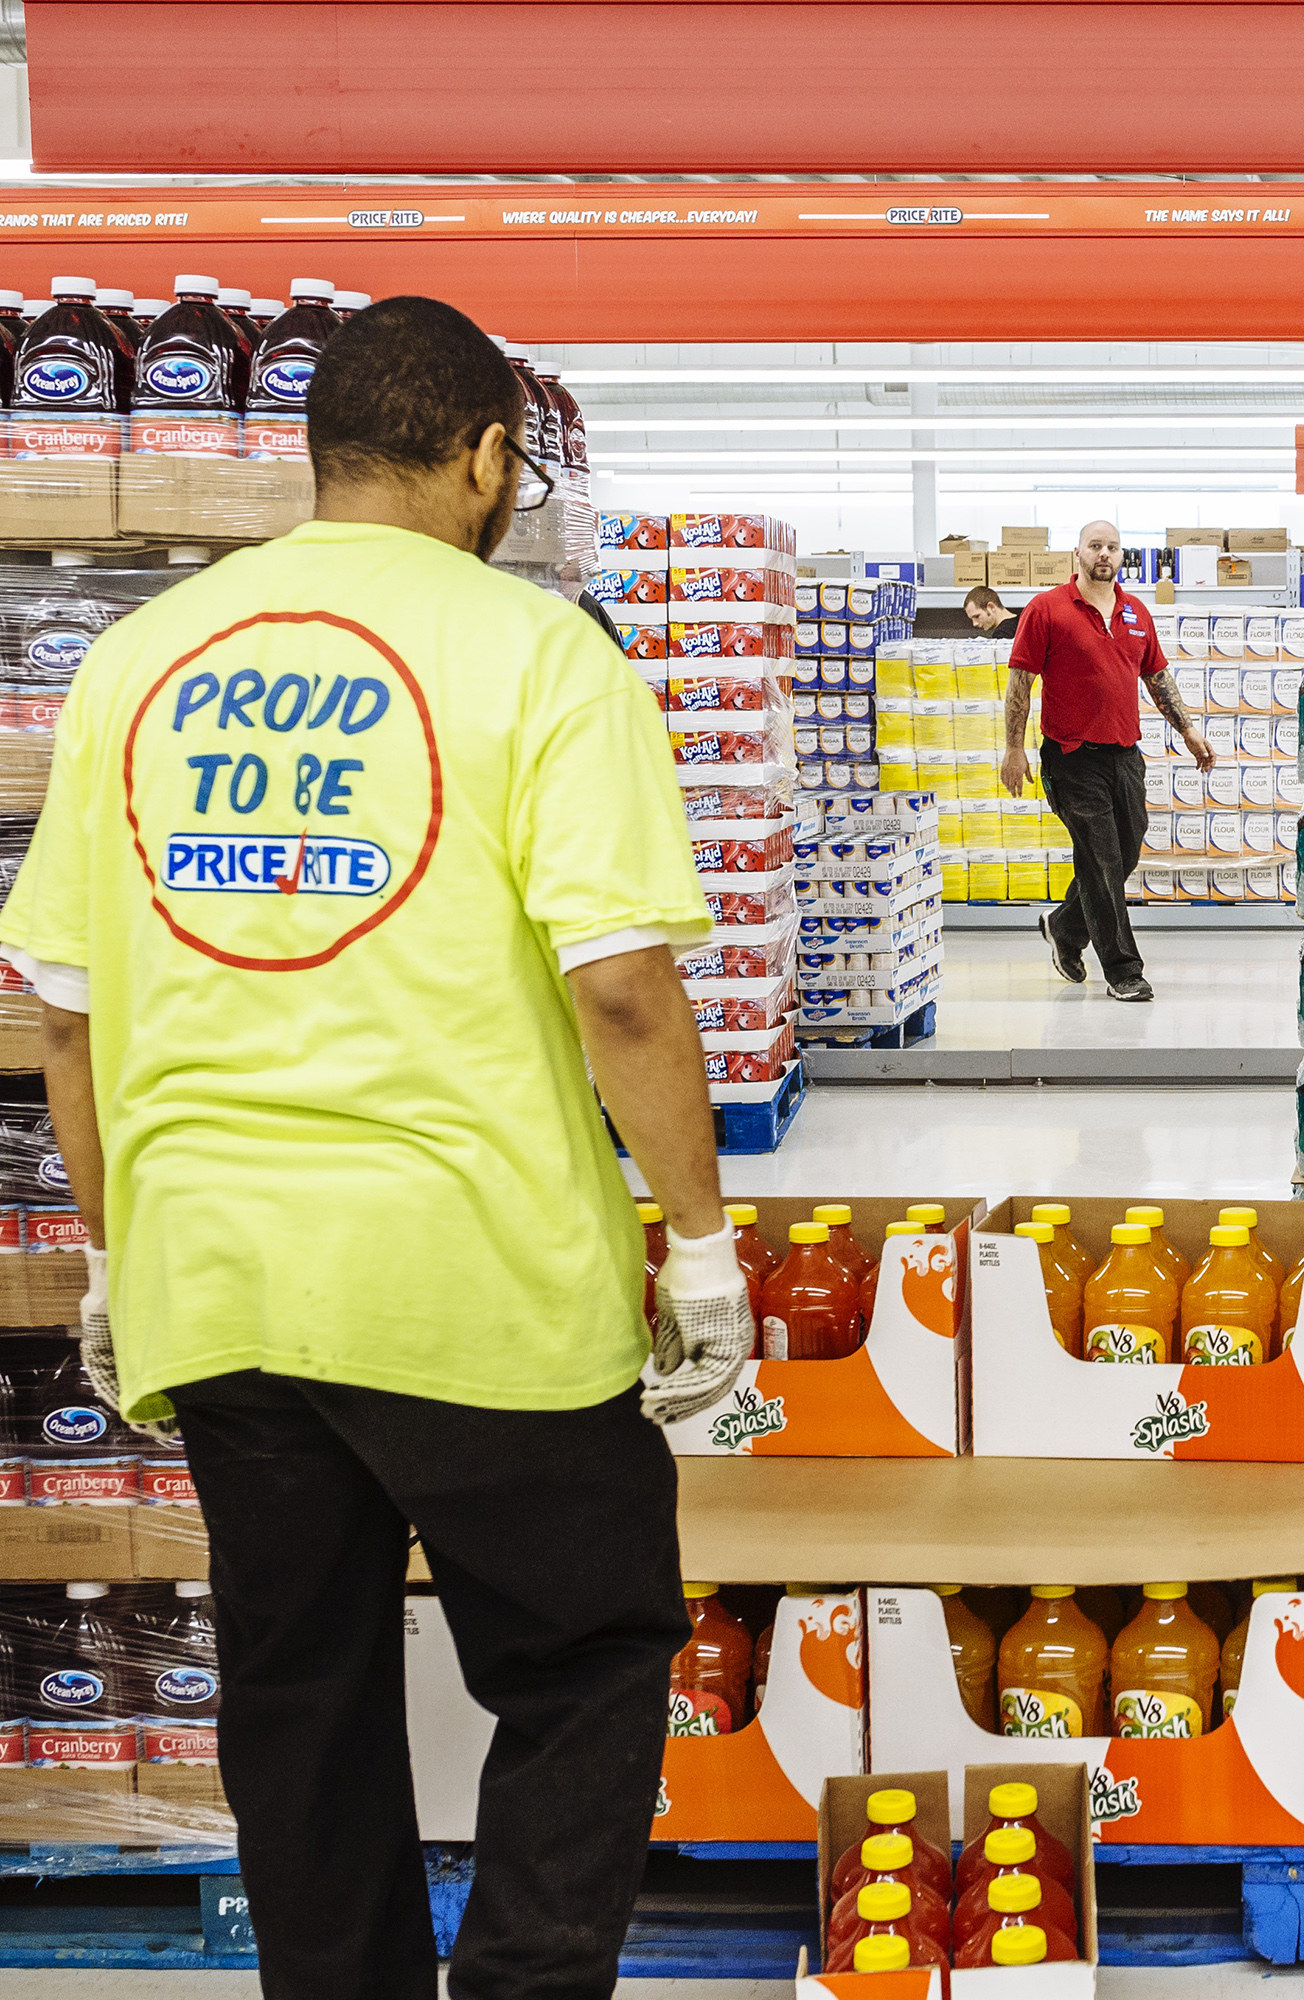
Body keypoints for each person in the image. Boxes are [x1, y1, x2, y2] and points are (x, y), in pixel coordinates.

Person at [0, 296, 755, 1998]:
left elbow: (65, 1011)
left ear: (319, 453)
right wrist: (700, 1243)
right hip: (467, 1274)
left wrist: (118, 1256)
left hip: (219, 1275)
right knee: (583, 1654)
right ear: (488, 456)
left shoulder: (138, 663)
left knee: (298, 1688)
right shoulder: (542, 654)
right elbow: (621, 992)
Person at [1001, 519, 1211, 1003]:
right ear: (1077, 553)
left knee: (1125, 851)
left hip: (1124, 755)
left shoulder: (1136, 612)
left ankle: (1065, 928)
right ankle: (1123, 970)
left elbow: (1157, 678)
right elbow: (1019, 685)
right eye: (1095, 546)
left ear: (1122, 557)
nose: (1105, 554)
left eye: (1113, 547)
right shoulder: (1047, 609)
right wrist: (1013, 748)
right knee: (1100, 856)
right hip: (1071, 757)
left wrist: (1190, 730)